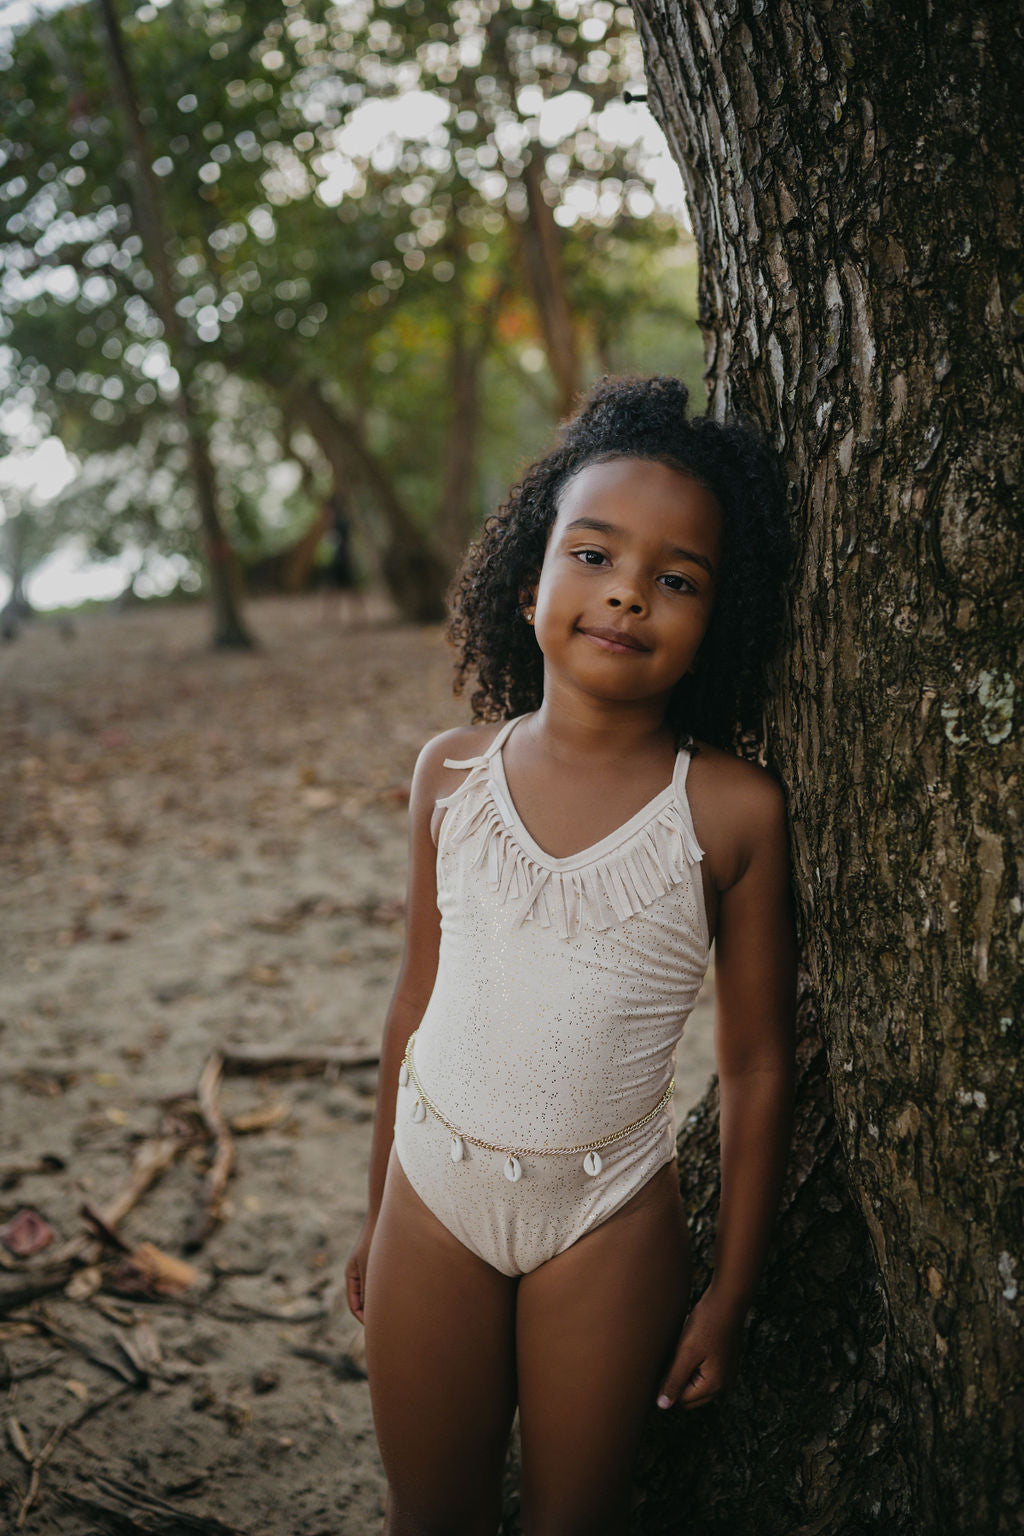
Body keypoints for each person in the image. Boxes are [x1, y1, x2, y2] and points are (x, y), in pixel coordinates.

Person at [345, 375, 796, 1535]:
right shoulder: (449, 774)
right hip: (430, 1195)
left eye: (677, 580)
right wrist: (376, 1209)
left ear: (717, 622)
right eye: (593, 555)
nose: (627, 593)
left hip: (606, 1218)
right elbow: (413, 1000)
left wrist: (729, 1294)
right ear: (528, 578)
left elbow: (753, 1067)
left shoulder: (731, 812)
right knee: (430, 1514)